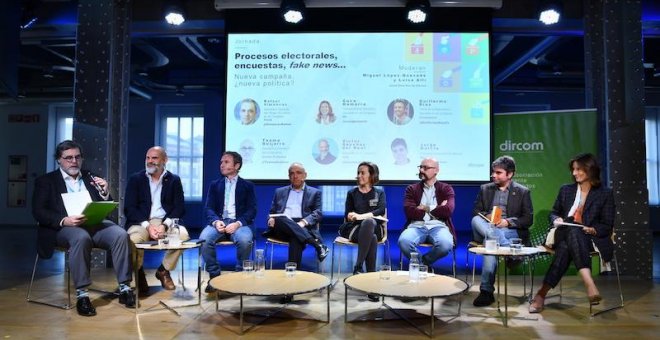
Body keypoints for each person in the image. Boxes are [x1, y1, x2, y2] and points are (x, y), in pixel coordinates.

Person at [32, 140, 135, 316]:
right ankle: (82, 295)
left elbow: (104, 203)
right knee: (80, 238)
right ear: (59, 160)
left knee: (120, 234)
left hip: (93, 223)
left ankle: (125, 288)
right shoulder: (46, 181)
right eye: (68, 158)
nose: (74, 161)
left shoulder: (89, 177)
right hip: (65, 227)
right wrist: (64, 220)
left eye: (77, 157)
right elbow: (38, 211)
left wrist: (104, 192)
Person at [529, 153, 615, 313]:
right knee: (572, 230)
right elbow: (553, 212)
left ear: (590, 170)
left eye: (578, 169)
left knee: (565, 248)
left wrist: (593, 229)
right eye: (573, 169)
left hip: (590, 237)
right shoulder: (566, 190)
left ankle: (541, 294)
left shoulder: (605, 193)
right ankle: (589, 284)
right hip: (563, 231)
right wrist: (557, 219)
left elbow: (607, 224)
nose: (574, 173)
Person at [124, 146, 189, 294]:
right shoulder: (136, 179)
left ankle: (163, 271)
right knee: (132, 240)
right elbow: (129, 208)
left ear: (164, 160)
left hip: (165, 221)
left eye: (154, 158)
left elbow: (179, 208)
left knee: (183, 236)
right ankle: (139, 272)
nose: (150, 161)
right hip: (141, 222)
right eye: (148, 158)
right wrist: (148, 226)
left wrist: (164, 226)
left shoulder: (174, 180)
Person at [471, 155, 533, 307]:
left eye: (498, 172)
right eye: (493, 172)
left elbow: (527, 219)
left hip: (508, 230)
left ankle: (486, 292)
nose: (493, 175)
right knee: (475, 221)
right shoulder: (485, 189)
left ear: (509, 174)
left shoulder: (522, 192)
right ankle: (509, 251)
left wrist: (507, 221)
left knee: (490, 242)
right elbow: (476, 211)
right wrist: (488, 217)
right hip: (486, 226)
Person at [200, 151, 256, 293]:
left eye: (226, 162)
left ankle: (238, 277)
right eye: (221, 162)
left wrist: (238, 223)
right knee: (204, 240)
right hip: (219, 221)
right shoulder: (215, 185)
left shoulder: (247, 186)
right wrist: (215, 222)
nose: (222, 165)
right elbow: (209, 208)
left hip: (239, 223)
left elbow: (251, 210)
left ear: (236, 165)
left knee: (244, 241)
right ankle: (214, 277)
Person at [264, 162, 329, 267]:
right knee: (282, 218)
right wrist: (270, 219)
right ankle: (318, 246)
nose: (295, 176)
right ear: (289, 176)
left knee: (296, 237)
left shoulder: (315, 192)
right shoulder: (279, 192)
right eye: (292, 173)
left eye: (298, 173)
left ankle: (293, 270)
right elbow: (272, 212)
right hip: (281, 226)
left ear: (305, 175)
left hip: (303, 226)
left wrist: (303, 222)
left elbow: (318, 213)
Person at [340, 161, 386, 302]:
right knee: (370, 236)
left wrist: (362, 216)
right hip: (353, 229)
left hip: (375, 228)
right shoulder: (352, 193)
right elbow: (348, 214)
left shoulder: (379, 193)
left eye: (362, 173)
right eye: (358, 172)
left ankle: (358, 266)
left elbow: (380, 211)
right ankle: (371, 284)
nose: (359, 175)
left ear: (372, 175)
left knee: (370, 224)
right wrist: (351, 215)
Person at [398, 157, 456, 269]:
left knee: (445, 244)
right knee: (403, 241)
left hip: (438, 226)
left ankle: (422, 264)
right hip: (417, 225)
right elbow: (410, 212)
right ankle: (422, 267)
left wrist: (426, 208)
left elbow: (448, 210)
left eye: (426, 168)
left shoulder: (446, 189)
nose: (421, 170)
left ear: (436, 170)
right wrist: (438, 208)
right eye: (420, 167)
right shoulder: (411, 189)